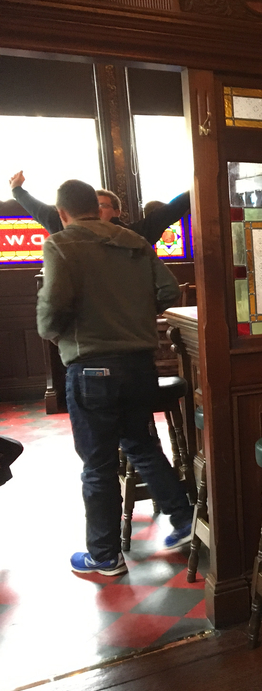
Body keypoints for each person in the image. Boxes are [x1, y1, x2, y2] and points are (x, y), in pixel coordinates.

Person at [36, 179, 194, 576]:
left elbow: (51, 311)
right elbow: (168, 288)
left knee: (98, 465)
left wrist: (55, 333)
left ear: (62, 212)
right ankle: (183, 518)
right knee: (142, 444)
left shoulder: (60, 243)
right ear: (96, 205)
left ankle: (104, 555)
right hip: (139, 364)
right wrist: (134, 315)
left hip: (91, 368)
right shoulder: (134, 242)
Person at [9, 170, 190, 245]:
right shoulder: (62, 226)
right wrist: (17, 190)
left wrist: (195, 190)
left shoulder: (133, 235)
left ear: (117, 212)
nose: (99, 209)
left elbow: (168, 212)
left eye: (103, 205)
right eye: (95, 205)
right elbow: (37, 208)